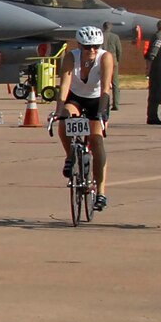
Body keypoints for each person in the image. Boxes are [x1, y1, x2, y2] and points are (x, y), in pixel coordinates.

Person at [54, 26, 115, 211]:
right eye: (88, 47)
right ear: (79, 45)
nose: (92, 50)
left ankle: (101, 191)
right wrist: (58, 110)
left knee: (96, 141)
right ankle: (70, 156)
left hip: (98, 100)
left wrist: (102, 112)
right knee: (65, 120)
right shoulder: (71, 57)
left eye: (96, 46)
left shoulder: (105, 57)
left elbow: (106, 88)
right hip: (76, 98)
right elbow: (64, 85)